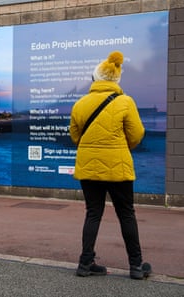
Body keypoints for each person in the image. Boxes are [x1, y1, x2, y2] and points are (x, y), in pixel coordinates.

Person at [69, 51, 152, 280]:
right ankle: (136, 267)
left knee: (93, 213)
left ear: (95, 79)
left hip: (89, 167)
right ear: (116, 80)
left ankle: (85, 264)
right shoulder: (126, 101)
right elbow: (137, 135)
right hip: (118, 168)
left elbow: (75, 137)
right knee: (126, 214)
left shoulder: (80, 104)